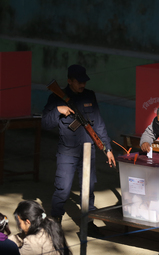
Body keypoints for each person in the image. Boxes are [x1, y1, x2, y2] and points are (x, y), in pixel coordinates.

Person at [42, 64, 115, 233]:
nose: (83, 85)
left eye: (84, 81)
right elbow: (45, 123)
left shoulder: (90, 96)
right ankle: (56, 224)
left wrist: (108, 149)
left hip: (89, 151)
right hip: (67, 152)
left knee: (88, 189)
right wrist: (58, 111)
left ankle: (87, 224)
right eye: (79, 82)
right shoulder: (56, 98)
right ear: (69, 81)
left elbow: (99, 124)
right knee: (63, 188)